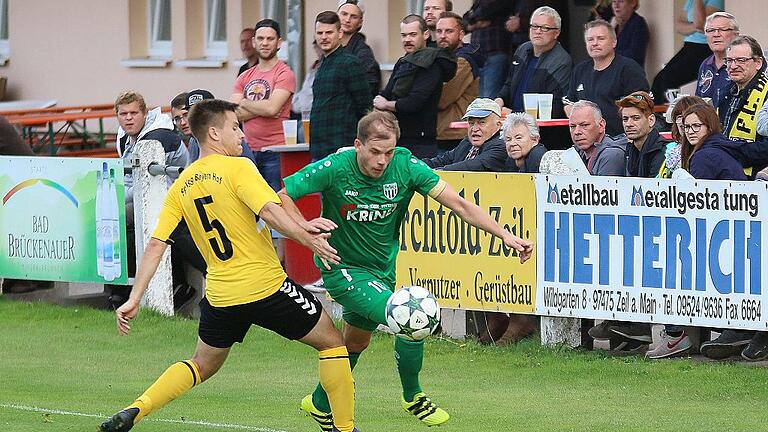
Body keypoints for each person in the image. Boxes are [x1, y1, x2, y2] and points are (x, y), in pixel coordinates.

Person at [98, 99, 359, 432]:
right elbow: (269, 211)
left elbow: (155, 244)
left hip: (221, 296)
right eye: (235, 127)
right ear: (213, 133)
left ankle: (136, 409)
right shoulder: (239, 168)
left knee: (201, 366)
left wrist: (134, 298)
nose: (242, 135)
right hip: (266, 287)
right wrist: (308, 239)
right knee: (332, 342)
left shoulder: (181, 185)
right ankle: (345, 428)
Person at [278, 110, 533, 429]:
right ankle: (413, 395)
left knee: (356, 343)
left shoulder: (406, 165)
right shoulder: (335, 167)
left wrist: (507, 235)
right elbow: (283, 196)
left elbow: (461, 205)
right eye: (374, 152)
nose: (382, 160)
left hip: (381, 271)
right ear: (358, 145)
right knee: (412, 314)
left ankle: (318, 402)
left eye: (388, 152)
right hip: (341, 269)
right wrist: (305, 229)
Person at [375, 14, 457, 158]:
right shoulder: (404, 62)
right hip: (398, 137)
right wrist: (381, 100)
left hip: (421, 141)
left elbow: (414, 103)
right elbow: (387, 91)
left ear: (425, 34)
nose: (407, 40)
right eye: (404, 35)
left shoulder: (432, 64)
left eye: (412, 35)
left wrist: (386, 104)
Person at [231, 19, 296, 191]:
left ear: (279, 42)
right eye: (260, 39)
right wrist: (265, 108)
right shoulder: (244, 76)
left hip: (276, 152)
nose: (265, 43)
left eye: (270, 39)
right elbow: (232, 114)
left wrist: (245, 103)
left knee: (277, 203)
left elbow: (272, 108)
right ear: (254, 42)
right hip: (247, 150)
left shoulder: (285, 73)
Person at [566, 19, 649, 137]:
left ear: (614, 42)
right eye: (590, 39)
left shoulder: (629, 69)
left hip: (621, 141)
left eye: (600, 38)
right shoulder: (579, 70)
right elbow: (569, 102)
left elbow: (641, 105)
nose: (594, 43)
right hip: (586, 143)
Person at [311, 11, 372, 160]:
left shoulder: (350, 63)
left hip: (342, 148)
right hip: (319, 147)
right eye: (319, 33)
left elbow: (365, 107)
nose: (324, 37)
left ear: (340, 33)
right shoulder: (322, 64)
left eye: (329, 32)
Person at [495, 6, 572, 119]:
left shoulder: (561, 61)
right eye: (534, 26)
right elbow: (509, 84)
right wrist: (498, 101)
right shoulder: (522, 49)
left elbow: (553, 110)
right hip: (511, 125)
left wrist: (513, 114)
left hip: (540, 132)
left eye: (545, 28)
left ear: (556, 33)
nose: (538, 31)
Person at [650, 0, 724, 104]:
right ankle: (655, 114)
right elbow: (679, 26)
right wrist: (695, 27)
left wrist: (695, 25)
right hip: (689, 46)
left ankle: (669, 115)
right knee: (659, 79)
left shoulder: (715, 1)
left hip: (704, 47)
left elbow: (701, 24)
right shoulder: (691, 1)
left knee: (669, 79)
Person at [434, 11, 482, 154]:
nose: (443, 36)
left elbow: (442, 98)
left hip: (454, 134)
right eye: (439, 31)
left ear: (461, 34)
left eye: (449, 31)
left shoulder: (463, 61)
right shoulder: (441, 58)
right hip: (441, 132)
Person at [716, 35, 768, 167]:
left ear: (758, 63)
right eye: (729, 60)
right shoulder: (724, 93)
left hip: (757, 178)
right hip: (724, 171)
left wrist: (729, 149)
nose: (733, 66)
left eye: (741, 60)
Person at [171, 90, 256, 165]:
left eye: (186, 115)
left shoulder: (228, 136)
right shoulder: (193, 141)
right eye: (192, 114)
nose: (183, 122)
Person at [425, 97, 508, 172]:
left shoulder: (501, 145)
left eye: (481, 123)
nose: (474, 129)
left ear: (498, 125)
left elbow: (474, 165)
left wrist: (438, 171)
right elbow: (442, 161)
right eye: (471, 123)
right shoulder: (466, 143)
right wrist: (414, 164)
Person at [464, 0, 514, 97]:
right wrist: (475, 21)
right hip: (477, 56)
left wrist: (472, 20)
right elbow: (465, 20)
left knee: (490, 99)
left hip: (495, 52)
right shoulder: (478, 3)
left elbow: (485, 11)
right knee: (479, 100)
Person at [569, 100, 628, 177]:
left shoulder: (611, 155)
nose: (577, 132)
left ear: (601, 125)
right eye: (572, 126)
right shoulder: (574, 155)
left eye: (584, 125)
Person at [617, 91, 667, 178]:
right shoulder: (630, 150)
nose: (629, 124)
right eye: (625, 119)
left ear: (651, 120)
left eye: (636, 118)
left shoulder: (664, 152)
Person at [337, 0, 382, 97]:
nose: (347, 19)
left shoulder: (363, 53)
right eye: (344, 14)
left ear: (360, 23)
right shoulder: (332, 47)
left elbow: (370, 87)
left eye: (353, 16)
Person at [696, 12, 740, 107]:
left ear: (736, 34)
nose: (716, 34)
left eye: (722, 30)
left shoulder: (743, 63)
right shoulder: (705, 65)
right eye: (711, 30)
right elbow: (698, 101)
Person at [611, 0, 649, 67]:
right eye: (614, 1)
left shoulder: (638, 24)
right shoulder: (615, 25)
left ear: (633, 3)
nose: (616, 5)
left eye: (621, 1)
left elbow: (633, 55)